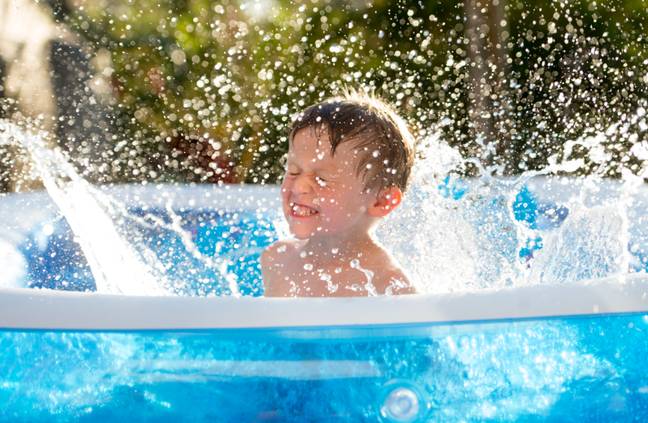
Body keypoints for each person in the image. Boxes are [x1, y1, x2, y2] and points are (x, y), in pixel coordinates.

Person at [261, 89, 417, 297]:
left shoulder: (388, 285)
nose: (299, 187)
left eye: (322, 179)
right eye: (293, 171)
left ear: (382, 200)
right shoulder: (277, 259)